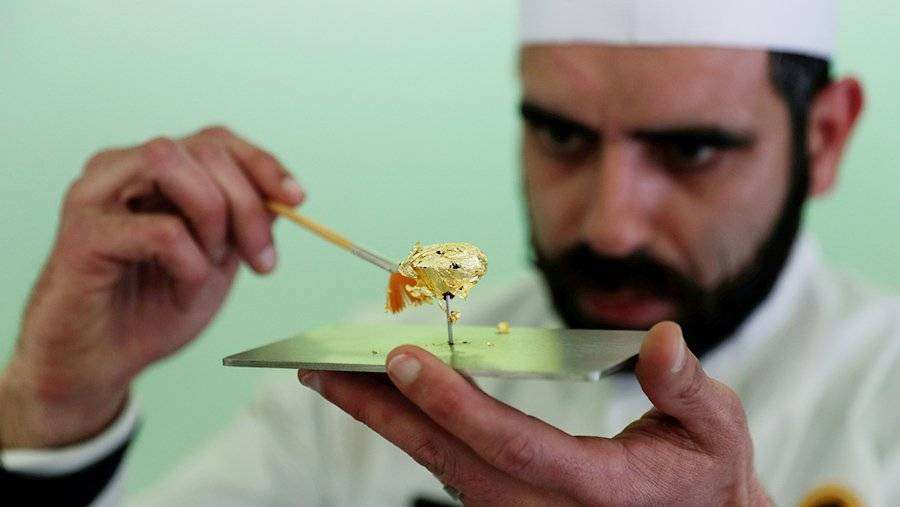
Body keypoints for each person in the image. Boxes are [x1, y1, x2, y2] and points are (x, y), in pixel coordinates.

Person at [1, 1, 897, 505]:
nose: (611, 225)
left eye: (692, 150)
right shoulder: (370, 389)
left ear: (824, 137)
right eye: (561, 137)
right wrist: (53, 412)